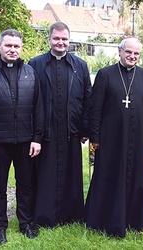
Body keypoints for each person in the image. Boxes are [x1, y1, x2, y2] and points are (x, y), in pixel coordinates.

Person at [0, 29, 44, 244]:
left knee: (25, 184)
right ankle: (0, 226)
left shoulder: (31, 72)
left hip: (25, 141)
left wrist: (37, 138)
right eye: (8, 45)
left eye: (16, 46)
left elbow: (39, 108)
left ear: (21, 48)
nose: (13, 49)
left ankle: (25, 223)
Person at [85, 36, 143, 238]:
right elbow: (95, 109)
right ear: (120, 51)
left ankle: (135, 219)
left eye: (136, 54)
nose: (132, 56)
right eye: (129, 52)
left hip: (139, 138)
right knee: (109, 175)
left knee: (137, 178)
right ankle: (103, 219)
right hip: (110, 138)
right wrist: (95, 138)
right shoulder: (105, 74)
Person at [28, 21, 91, 228]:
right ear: (49, 40)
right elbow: (30, 98)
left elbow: (87, 98)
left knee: (71, 173)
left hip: (70, 130)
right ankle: (44, 215)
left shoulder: (80, 65)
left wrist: (85, 127)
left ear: (69, 41)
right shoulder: (35, 63)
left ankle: (70, 215)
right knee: (45, 174)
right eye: (57, 38)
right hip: (45, 130)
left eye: (64, 39)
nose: (60, 43)